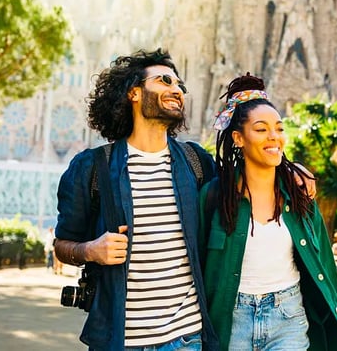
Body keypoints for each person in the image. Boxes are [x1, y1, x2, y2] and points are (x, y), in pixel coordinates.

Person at [53, 49, 218, 351]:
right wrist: (90, 250)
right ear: (134, 93)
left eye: (180, 86)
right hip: (119, 340)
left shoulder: (197, 163)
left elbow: (244, 190)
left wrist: (292, 172)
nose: (176, 90)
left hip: (187, 338)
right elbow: (63, 245)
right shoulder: (91, 168)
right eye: (164, 80)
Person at [199, 73, 337, 351]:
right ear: (238, 138)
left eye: (279, 128)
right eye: (261, 129)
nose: (273, 136)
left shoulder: (300, 196)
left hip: (288, 318)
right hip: (232, 320)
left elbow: (325, 269)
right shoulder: (214, 197)